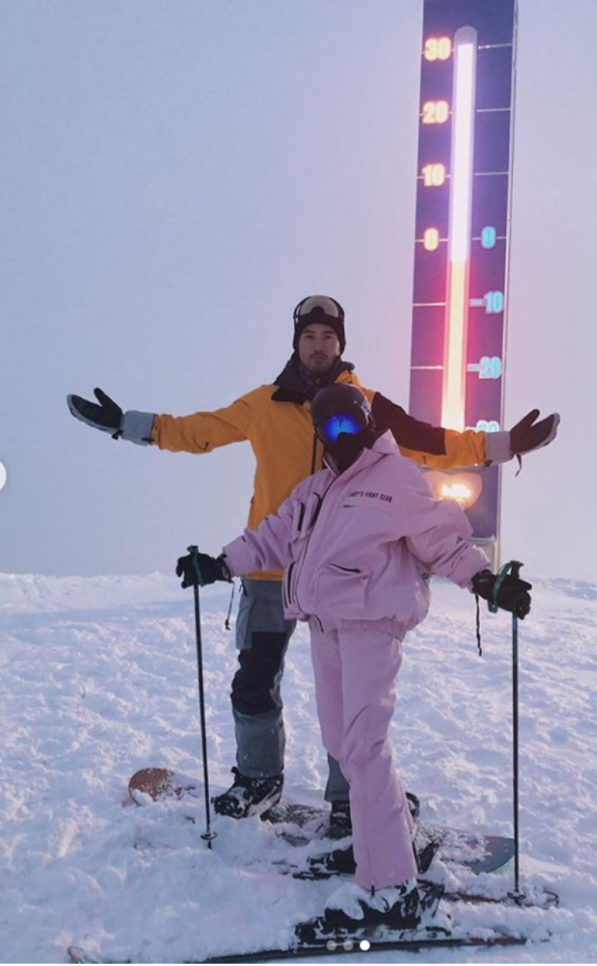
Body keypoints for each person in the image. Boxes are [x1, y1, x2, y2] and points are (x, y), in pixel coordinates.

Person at [67, 295, 558, 832]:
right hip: (268, 567)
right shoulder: (263, 404)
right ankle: (259, 780)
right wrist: (127, 424)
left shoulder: (365, 404)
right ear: (296, 343)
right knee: (254, 679)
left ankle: (353, 798)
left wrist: (506, 444)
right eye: (310, 337)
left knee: (349, 697)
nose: (319, 346)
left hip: (346, 576)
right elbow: (198, 430)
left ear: (341, 345)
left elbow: (433, 442)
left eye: (329, 337)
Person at [175, 382, 532, 931]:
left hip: (371, 624)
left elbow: (444, 541)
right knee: (345, 747)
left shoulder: (395, 479)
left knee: (364, 750)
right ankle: (387, 846)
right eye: (328, 428)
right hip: (326, 625)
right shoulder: (316, 490)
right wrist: (220, 564)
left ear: (366, 422)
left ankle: (391, 888)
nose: (339, 436)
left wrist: (488, 582)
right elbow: (270, 537)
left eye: (349, 424)